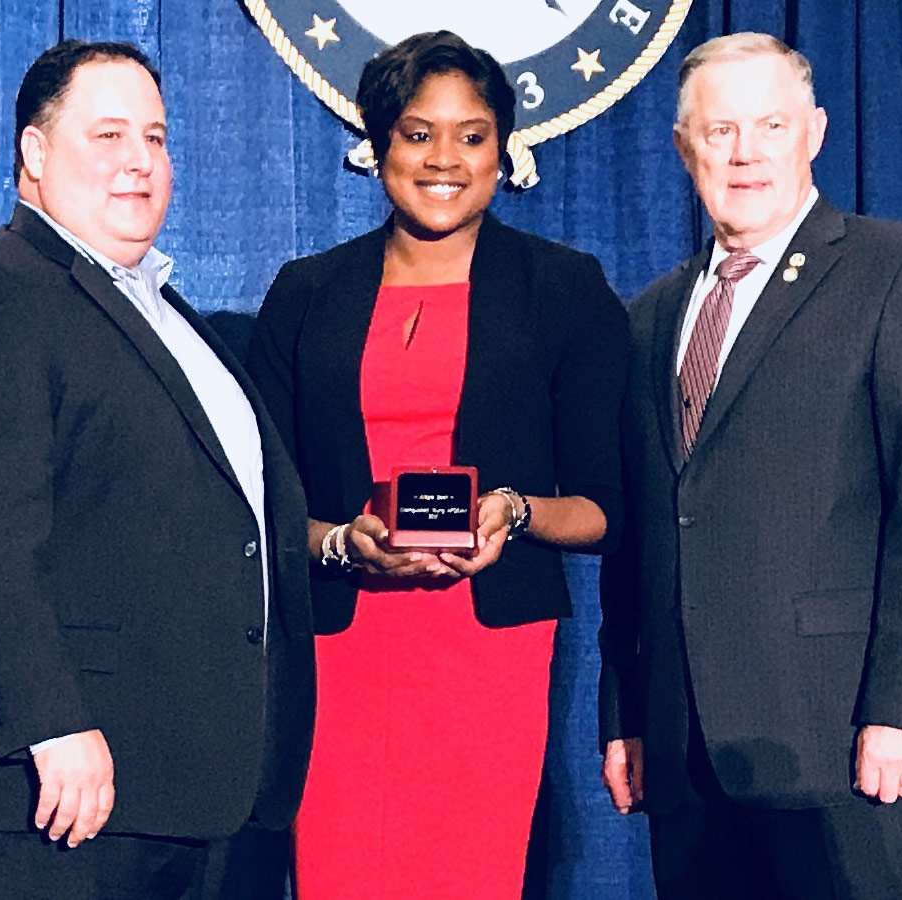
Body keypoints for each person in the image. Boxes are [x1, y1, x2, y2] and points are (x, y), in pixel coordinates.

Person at [0, 40, 315, 900]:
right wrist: (52, 725)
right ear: (35, 155)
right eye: (110, 135)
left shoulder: (174, 318)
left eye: (155, 139)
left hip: (185, 800)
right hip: (48, 802)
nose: (139, 162)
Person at [597, 32, 902, 899]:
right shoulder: (651, 315)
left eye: (770, 125)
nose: (746, 154)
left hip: (853, 744)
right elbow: (642, 538)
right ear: (681, 147)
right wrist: (627, 716)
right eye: (720, 131)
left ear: (812, 133)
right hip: (689, 755)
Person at [245, 31, 629, 900]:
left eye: (472, 133)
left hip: (486, 653)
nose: (444, 158)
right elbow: (260, 503)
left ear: (504, 151)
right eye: (418, 134)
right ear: (379, 147)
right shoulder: (306, 292)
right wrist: (342, 541)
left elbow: (607, 506)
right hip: (338, 651)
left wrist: (513, 511)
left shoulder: (563, 287)